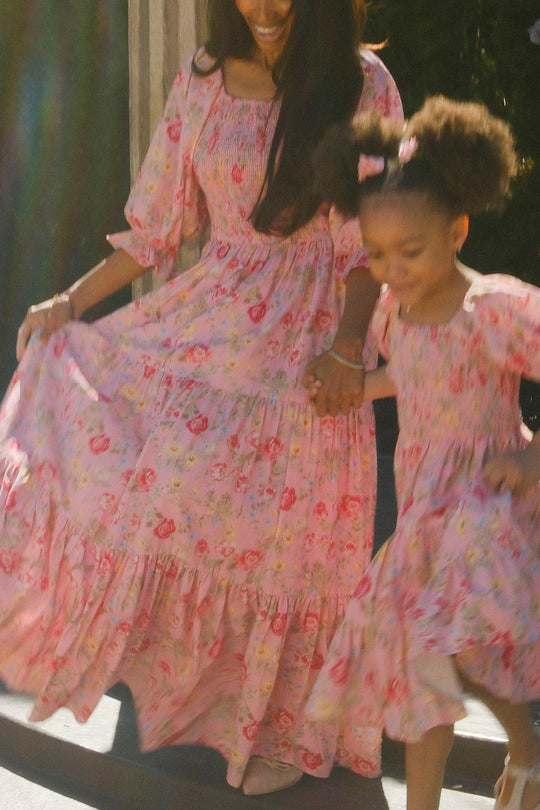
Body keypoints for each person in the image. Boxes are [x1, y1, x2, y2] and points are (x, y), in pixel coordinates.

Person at [0, 0, 402, 796]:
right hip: (213, 316)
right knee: (163, 482)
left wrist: (347, 350)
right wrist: (69, 305)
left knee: (285, 533)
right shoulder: (205, 80)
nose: (263, 7)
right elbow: (154, 232)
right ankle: (204, 705)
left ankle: (290, 727)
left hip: (313, 337)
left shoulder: (364, 85)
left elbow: (372, 244)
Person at [303, 96, 540, 810]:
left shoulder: (490, 309)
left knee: (462, 653)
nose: (394, 269)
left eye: (412, 251)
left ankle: (526, 751)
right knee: (418, 670)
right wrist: (353, 385)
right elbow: (410, 376)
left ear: (457, 230)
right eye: (377, 255)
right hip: (424, 512)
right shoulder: (390, 313)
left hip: (487, 506)